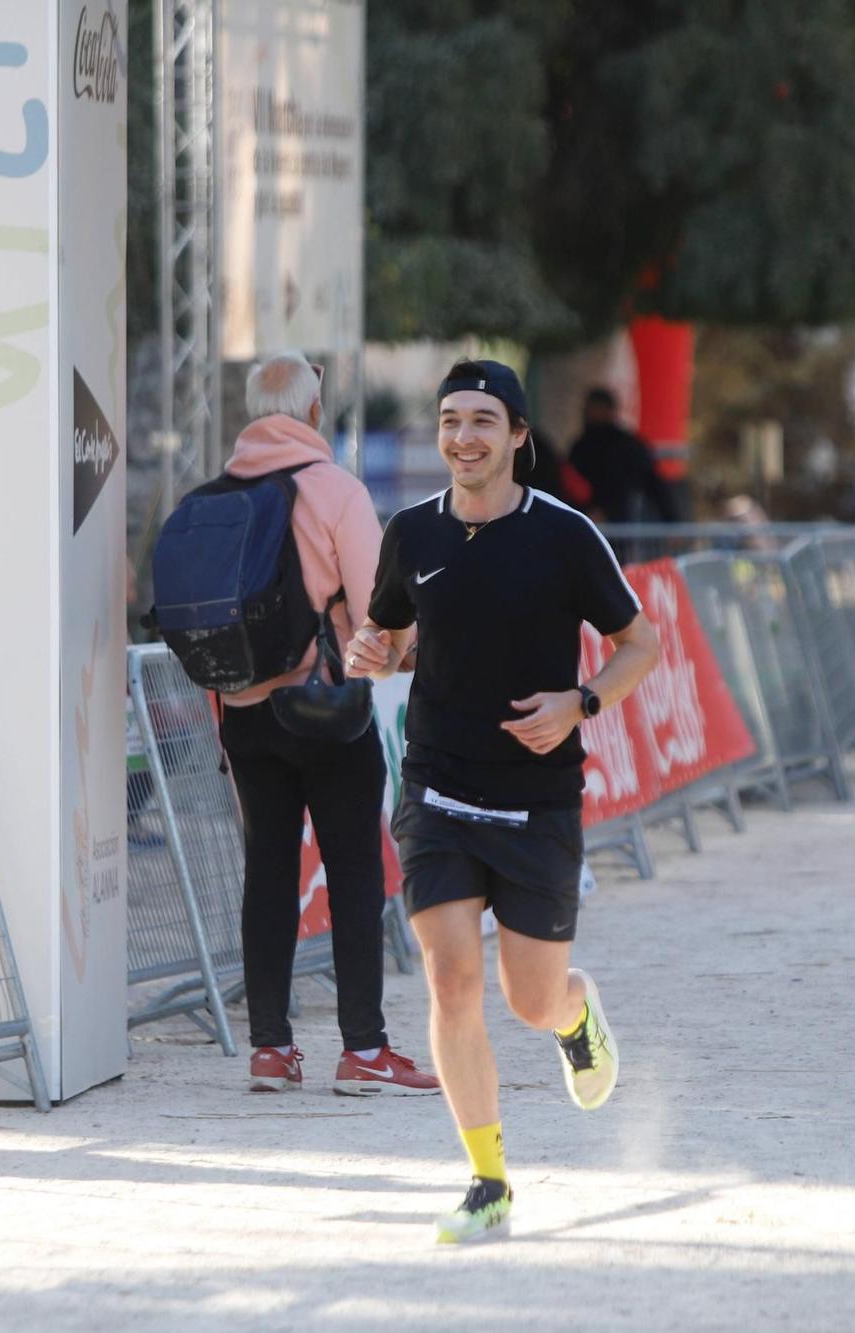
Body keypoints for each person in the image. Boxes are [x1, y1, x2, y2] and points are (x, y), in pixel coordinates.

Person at [346, 358, 661, 1244]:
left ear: (519, 436)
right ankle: (487, 1180)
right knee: (451, 980)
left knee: (528, 999)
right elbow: (394, 631)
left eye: (484, 420)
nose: (464, 437)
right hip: (438, 785)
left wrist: (581, 702)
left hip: (538, 797)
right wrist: (377, 652)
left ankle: (574, 1008)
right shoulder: (410, 532)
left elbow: (641, 641)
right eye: (450, 419)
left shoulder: (564, 533)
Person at [214, 352, 440, 1097]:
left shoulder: (218, 494)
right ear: (313, 413)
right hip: (326, 708)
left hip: (244, 712)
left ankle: (271, 1050)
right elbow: (384, 606)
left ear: (255, 413)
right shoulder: (337, 491)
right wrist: (397, 656)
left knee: (269, 873)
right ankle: (363, 1049)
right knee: (353, 871)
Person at [567, 387, 680, 526]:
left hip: (620, 523)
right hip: (587, 521)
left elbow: (653, 482)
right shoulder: (580, 447)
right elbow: (570, 484)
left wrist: (672, 520)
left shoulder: (627, 446)